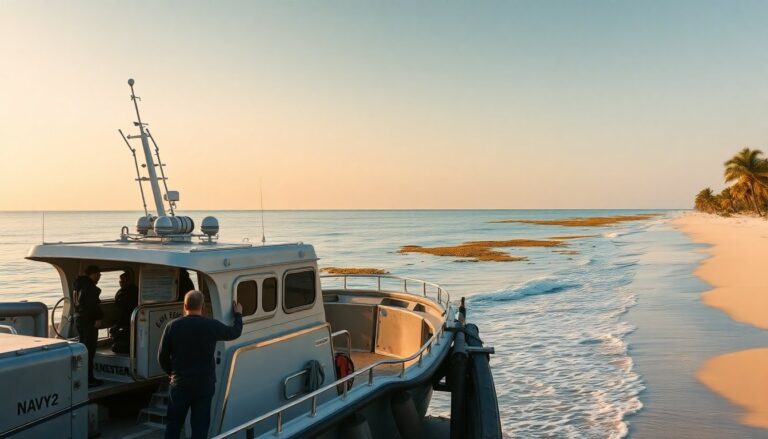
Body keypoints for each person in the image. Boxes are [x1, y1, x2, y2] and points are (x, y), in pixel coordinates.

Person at [158, 291, 243, 439]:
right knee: (200, 428)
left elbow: (162, 357)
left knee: (173, 426)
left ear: (185, 306)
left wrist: (171, 373)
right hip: (204, 385)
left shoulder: (172, 326)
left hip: (180, 384)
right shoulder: (211, 325)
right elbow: (234, 332)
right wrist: (238, 315)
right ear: (202, 307)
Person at [74, 265, 104, 387]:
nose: (99, 277)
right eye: (98, 274)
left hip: (79, 320)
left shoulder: (78, 285)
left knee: (83, 348)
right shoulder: (90, 288)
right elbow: (92, 306)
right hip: (88, 322)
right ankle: (89, 379)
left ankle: (82, 376)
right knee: (89, 350)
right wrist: (98, 317)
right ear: (93, 274)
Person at [110, 271, 138, 354]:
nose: (120, 283)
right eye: (120, 281)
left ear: (128, 281)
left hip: (128, 320)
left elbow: (125, 311)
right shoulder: (121, 291)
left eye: (122, 281)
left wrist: (117, 325)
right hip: (122, 320)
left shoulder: (132, 291)